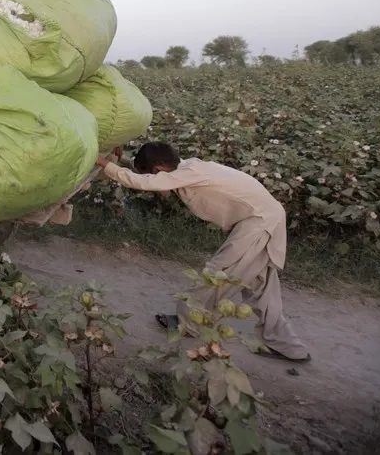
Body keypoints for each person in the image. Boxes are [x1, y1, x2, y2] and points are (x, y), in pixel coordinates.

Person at [96, 142, 310, 362]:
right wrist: (120, 160)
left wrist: (104, 164)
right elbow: (148, 175)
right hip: (264, 218)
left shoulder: (188, 173)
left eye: (153, 173)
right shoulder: (187, 168)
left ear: (160, 168)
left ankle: (188, 324)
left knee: (216, 274)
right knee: (262, 287)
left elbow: (144, 182)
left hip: (259, 223)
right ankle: (290, 347)